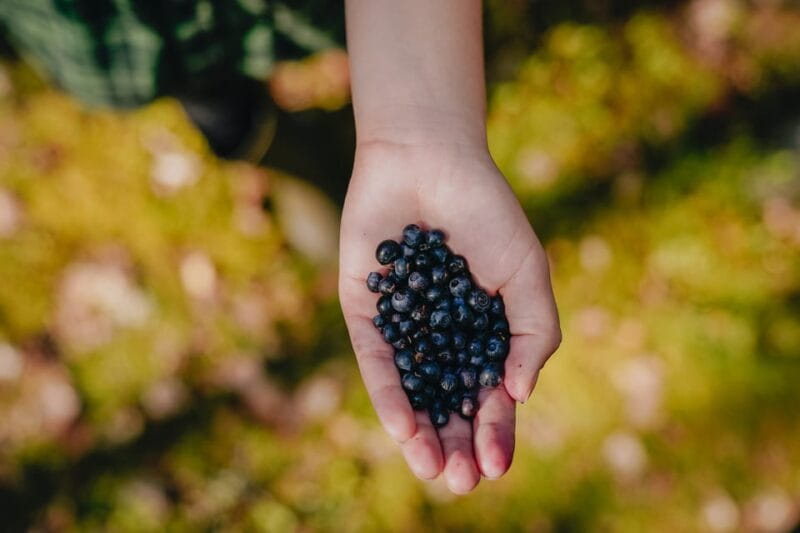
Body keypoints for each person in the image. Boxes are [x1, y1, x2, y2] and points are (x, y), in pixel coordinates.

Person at [1, 0, 561, 494]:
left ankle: (326, 146)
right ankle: (274, 145)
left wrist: (422, 128)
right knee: (199, 88)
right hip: (106, 21)